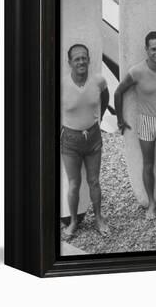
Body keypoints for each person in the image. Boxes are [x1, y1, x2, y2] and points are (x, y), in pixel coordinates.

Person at [114, 31, 156, 222]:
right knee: (148, 164)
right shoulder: (137, 71)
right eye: (153, 49)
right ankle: (152, 203)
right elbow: (118, 92)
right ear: (146, 50)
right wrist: (120, 119)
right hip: (144, 122)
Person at [61, 44, 110, 237]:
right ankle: (73, 221)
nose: (81, 62)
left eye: (84, 58)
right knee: (74, 183)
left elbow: (105, 97)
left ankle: (98, 218)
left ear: (89, 60)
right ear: (70, 63)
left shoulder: (98, 80)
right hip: (70, 141)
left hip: (93, 138)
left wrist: (100, 117)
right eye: (76, 59)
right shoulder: (62, 84)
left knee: (94, 181)